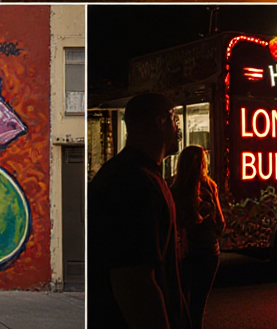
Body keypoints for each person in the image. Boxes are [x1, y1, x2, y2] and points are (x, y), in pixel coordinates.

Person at [88, 92, 189, 329]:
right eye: (174, 120)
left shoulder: (133, 174)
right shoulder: (132, 182)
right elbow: (135, 282)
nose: (177, 129)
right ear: (160, 121)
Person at [171, 146, 225, 329]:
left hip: (184, 254)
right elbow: (221, 222)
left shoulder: (173, 189)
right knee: (198, 304)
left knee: (181, 302)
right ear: (203, 164)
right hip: (209, 251)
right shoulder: (210, 186)